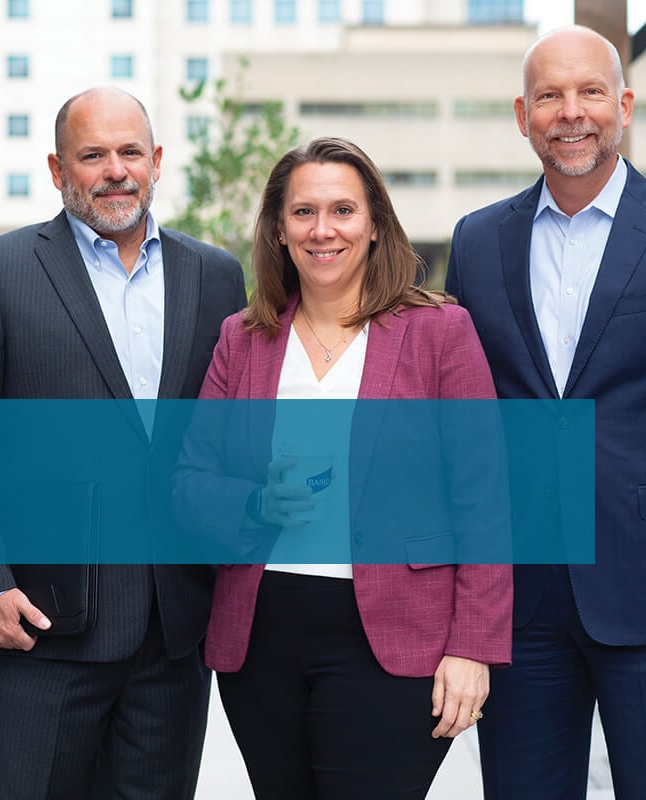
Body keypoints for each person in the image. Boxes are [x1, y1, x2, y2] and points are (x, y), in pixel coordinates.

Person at [446, 24, 646, 800]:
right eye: (550, 95)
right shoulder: (477, 242)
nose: (571, 112)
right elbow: (463, 425)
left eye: (590, 92)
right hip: (519, 600)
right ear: (524, 115)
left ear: (625, 105)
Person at [174, 136, 513, 799]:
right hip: (262, 637)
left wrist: (473, 646)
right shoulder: (242, 339)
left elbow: (485, 497)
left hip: (398, 635)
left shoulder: (440, 332)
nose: (322, 230)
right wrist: (256, 504)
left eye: (342, 210)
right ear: (278, 229)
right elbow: (189, 487)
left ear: (375, 224)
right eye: (303, 212)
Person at [0, 86, 246, 798]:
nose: (116, 170)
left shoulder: (216, 275)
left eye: (130, 152)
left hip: (174, 632)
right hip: (45, 620)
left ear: (157, 161)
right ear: (58, 169)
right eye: (93, 155)